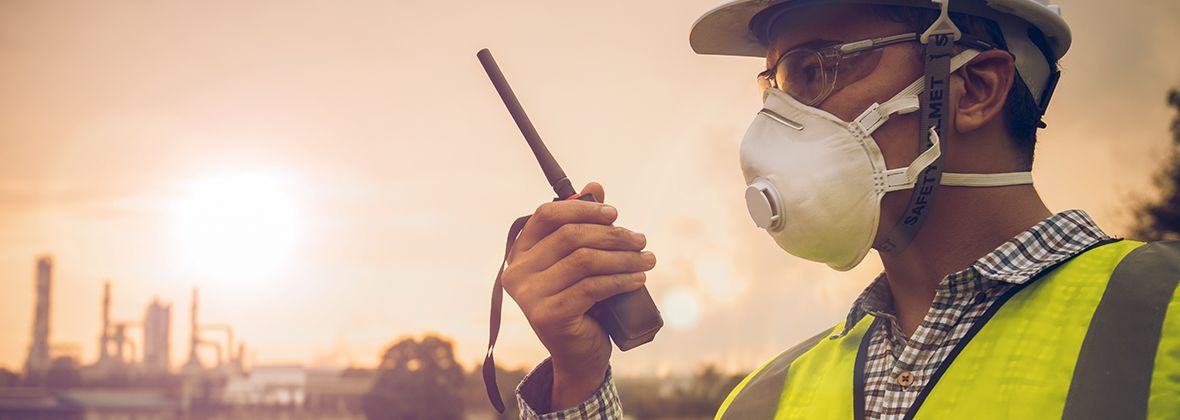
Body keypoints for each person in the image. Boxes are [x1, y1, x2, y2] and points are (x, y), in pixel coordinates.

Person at [499, 0, 1180, 418]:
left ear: (973, 87)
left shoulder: (1164, 318)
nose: (773, 123)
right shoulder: (765, 402)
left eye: (815, 71)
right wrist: (579, 375)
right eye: (774, 84)